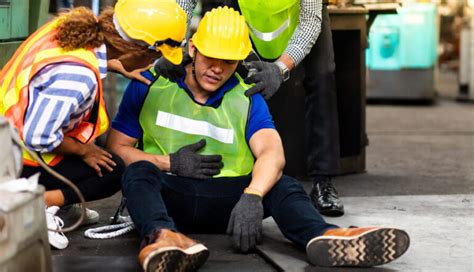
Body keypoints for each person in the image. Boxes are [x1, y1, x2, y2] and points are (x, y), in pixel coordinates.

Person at [107, 7, 409, 271]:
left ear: (239, 62)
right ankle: (163, 239)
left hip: (230, 201)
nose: (217, 68)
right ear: (193, 49)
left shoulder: (247, 95)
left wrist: (253, 196)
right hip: (172, 194)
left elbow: (272, 153)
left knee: (283, 183)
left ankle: (324, 236)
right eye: (211, 56)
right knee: (138, 173)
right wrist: (169, 162)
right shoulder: (150, 83)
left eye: (228, 61)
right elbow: (117, 149)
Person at [0, 0, 187, 249]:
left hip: (7, 140)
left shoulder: (74, 25)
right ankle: (33, 205)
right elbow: (38, 137)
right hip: (13, 160)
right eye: (155, 56)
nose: (153, 64)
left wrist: (115, 65)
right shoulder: (78, 75)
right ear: (138, 49)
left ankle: (56, 200)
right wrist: (84, 151)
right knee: (112, 170)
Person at [158, 0, 345, 217]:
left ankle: (323, 182)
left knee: (322, 74)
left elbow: (310, 21)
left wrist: (280, 68)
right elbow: (185, 2)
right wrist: (173, 47)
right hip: (239, 5)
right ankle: (222, 171)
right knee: (224, 64)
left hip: (298, 15)